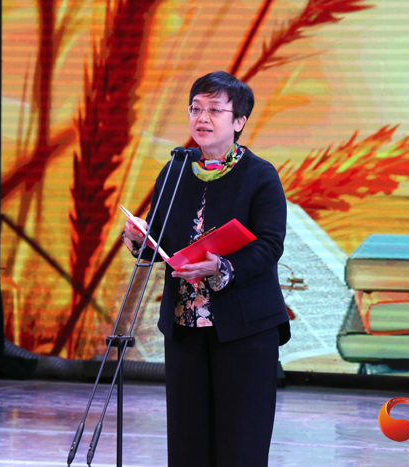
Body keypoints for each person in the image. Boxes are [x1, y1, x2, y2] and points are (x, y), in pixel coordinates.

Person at [121, 71, 290, 467]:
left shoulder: (260, 175)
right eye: (196, 108)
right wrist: (140, 239)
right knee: (188, 443)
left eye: (215, 110)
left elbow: (270, 245)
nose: (202, 117)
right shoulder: (175, 169)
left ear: (239, 121)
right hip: (185, 328)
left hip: (244, 330)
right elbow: (161, 241)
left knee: (240, 444)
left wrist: (222, 266)